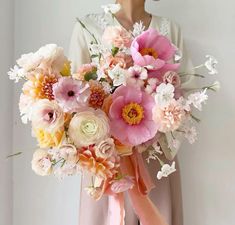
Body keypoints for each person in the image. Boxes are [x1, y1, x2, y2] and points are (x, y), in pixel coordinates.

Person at [69, 0, 194, 224]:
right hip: (105, 161)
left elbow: (186, 95)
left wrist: (158, 127)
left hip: (157, 161)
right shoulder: (87, 28)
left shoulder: (169, 29)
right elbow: (73, 98)